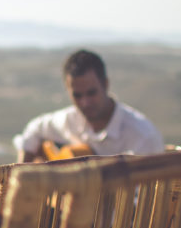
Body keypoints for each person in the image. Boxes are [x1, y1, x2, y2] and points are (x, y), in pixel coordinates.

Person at [13, 49, 164, 162]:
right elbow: (33, 130)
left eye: (91, 93)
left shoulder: (142, 136)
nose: (85, 103)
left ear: (106, 84)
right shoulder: (69, 119)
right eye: (77, 95)